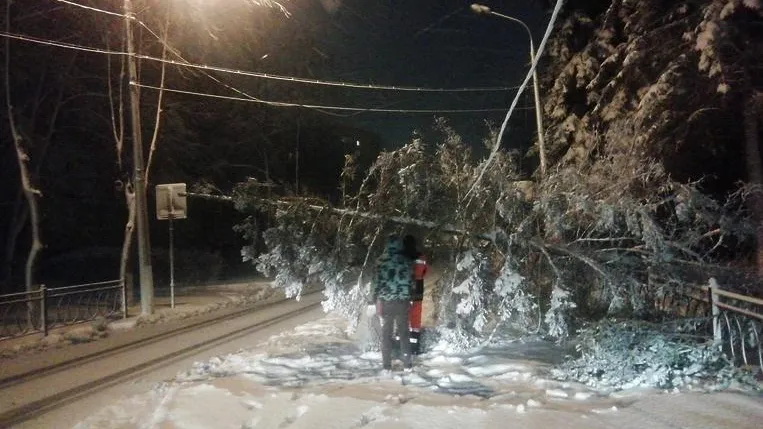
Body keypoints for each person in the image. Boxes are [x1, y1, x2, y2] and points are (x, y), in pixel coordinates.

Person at [373, 235, 413, 372]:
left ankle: (386, 365)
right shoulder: (406, 262)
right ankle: (407, 364)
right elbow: (410, 282)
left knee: (386, 334)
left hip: (387, 303)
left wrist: (374, 299)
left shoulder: (381, 262)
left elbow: (376, 284)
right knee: (404, 333)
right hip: (402, 302)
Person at [402, 235, 426, 355]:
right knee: (415, 320)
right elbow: (425, 271)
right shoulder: (421, 256)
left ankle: (402, 347)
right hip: (418, 292)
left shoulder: (401, 256)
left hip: (404, 292)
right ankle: (415, 348)